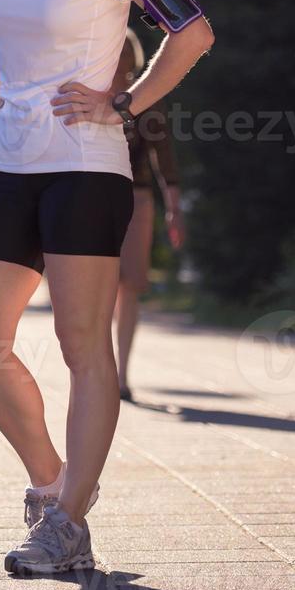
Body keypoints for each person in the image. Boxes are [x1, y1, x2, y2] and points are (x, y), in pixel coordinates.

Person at [0, 0, 214, 577]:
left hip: (85, 167)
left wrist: (124, 101)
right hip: (10, 163)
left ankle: (67, 524)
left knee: (81, 347)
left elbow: (191, 29)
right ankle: (51, 484)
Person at [110, 30, 184, 403]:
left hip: (137, 200)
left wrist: (174, 208)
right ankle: (99, 372)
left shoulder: (147, 97)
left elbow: (164, 157)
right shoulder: (86, 94)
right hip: (92, 198)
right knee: (98, 289)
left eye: (123, 52)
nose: (118, 60)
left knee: (130, 287)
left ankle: (122, 375)